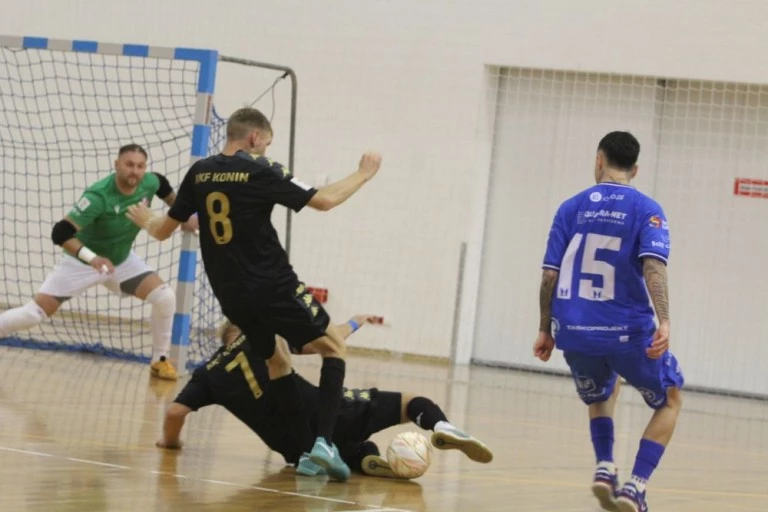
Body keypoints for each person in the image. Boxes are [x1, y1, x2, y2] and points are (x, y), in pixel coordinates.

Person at [127, 107, 382, 480]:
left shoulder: (200, 172)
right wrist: (364, 172)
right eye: (266, 143)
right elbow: (324, 200)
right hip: (273, 286)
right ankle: (324, 445)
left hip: (231, 298)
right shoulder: (260, 169)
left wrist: (146, 218)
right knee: (334, 347)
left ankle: (302, 451)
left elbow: (164, 229)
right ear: (254, 138)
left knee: (277, 361)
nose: (265, 149)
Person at [533, 131, 683, 512]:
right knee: (670, 399)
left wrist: (544, 329)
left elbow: (549, 276)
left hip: (574, 333)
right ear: (635, 168)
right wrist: (664, 320)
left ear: (599, 160)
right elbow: (653, 266)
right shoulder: (647, 208)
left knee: (602, 390)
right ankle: (635, 486)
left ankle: (604, 468)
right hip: (626, 333)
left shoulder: (570, 207)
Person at [156, 315, 493, 478]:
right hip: (328, 412)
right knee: (410, 402)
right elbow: (327, 342)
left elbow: (174, 413)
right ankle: (441, 426)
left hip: (292, 447)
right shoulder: (263, 336)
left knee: (355, 449)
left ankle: (362, 459)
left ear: (223, 340)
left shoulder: (208, 373)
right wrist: (354, 323)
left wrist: (170, 444)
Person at [0, 144, 196, 380]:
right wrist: (92, 258)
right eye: (129, 165)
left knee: (165, 297)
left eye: (140, 166)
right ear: (116, 165)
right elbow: (60, 233)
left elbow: (163, 185)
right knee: (33, 315)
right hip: (82, 262)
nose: (134, 171)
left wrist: (181, 214)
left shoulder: (150, 182)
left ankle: (159, 361)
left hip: (121, 261)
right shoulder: (98, 196)